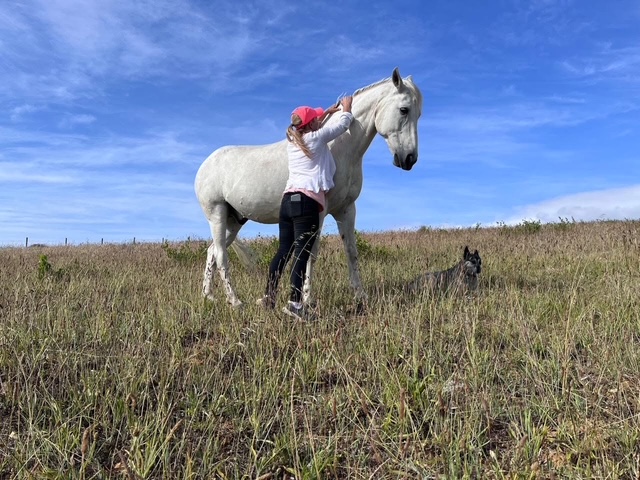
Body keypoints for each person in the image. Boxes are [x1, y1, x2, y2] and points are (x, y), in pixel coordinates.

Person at [258, 95, 354, 320]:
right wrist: (346, 108)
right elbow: (343, 125)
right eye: (316, 119)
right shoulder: (317, 139)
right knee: (302, 254)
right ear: (311, 124)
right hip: (307, 203)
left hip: (287, 202)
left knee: (284, 251)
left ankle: (269, 296)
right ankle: (294, 304)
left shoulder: (293, 141)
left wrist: (327, 112)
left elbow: (311, 122)